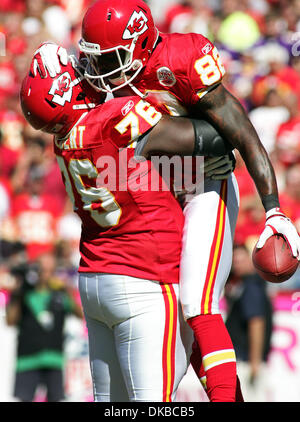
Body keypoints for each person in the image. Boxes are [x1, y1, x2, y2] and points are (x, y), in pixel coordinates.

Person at [31, 0, 300, 402]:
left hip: (204, 183)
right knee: (181, 320)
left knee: (197, 302)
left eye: (109, 57)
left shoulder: (180, 59)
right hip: (163, 192)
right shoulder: (105, 98)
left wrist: (272, 208)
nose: (98, 69)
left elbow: (239, 130)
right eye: (94, 58)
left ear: (138, 45)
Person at [20, 57, 234, 402]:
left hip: (95, 280)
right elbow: (212, 137)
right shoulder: (112, 118)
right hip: (145, 279)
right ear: (67, 92)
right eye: (77, 73)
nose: (87, 74)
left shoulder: (63, 140)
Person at [6, 250, 83, 402]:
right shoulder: (25, 293)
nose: (46, 274)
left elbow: (79, 315)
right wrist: (18, 292)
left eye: (50, 270)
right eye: (42, 269)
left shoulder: (60, 294)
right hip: (27, 359)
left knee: (55, 398)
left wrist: (67, 290)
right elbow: (10, 321)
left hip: (54, 358)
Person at [225, 243, 273, 402]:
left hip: (246, 362)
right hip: (243, 360)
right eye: (235, 260)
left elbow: (256, 323)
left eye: (241, 259)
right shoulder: (242, 283)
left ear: (250, 259)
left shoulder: (251, 285)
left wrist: (254, 362)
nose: (237, 264)